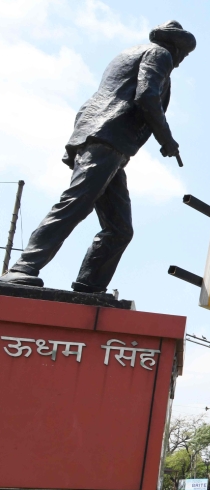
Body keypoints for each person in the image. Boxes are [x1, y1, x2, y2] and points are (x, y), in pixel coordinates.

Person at [0, 21, 196, 293]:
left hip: (105, 141)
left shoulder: (129, 54)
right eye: (183, 54)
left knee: (119, 229)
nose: (181, 61)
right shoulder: (158, 54)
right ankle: (23, 267)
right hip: (108, 137)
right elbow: (146, 95)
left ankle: (89, 287)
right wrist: (167, 139)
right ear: (175, 47)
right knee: (76, 203)